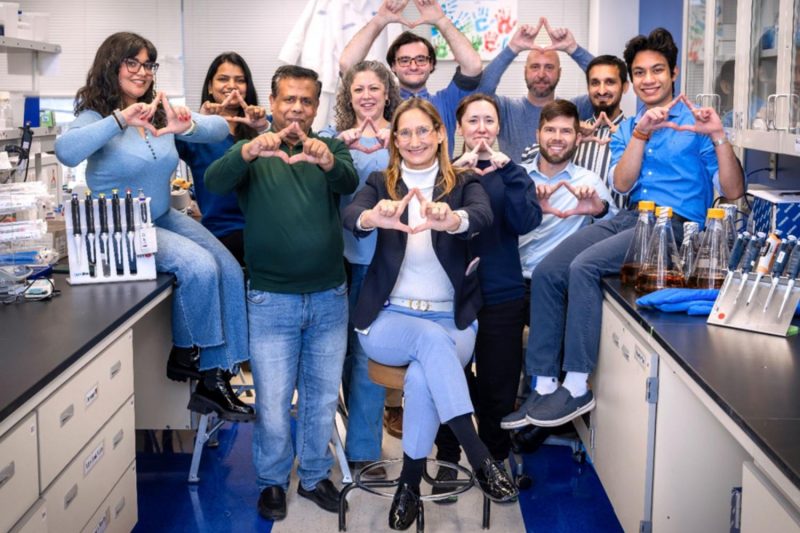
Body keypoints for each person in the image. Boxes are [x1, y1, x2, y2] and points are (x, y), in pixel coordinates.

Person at [503, 28, 745, 430]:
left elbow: (734, 191)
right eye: (640, 73)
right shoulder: (630, 125)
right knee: (548, 270)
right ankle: (544, 388)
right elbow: (621, 184)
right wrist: (640, 133)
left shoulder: (699, 123)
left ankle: (577, 384)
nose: (648, 79)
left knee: (584, 266)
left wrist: (719, 136)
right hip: (632, 215)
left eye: (657, 71)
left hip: (677, 227)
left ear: (674, 74)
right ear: (633, 80)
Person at [54, 32, 254, 423]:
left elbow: (219, 128)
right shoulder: (96, 115)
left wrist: (185, 126)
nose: (143, 72)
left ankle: (219, 375)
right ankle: (187, 355)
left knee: (228, 267)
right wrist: (120, 119)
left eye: (148, 65)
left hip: (162, 215)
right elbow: (67, 150)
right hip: (121, 225)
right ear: (112, 65)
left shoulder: (157, 110)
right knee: (197, 267)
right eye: (133, 63)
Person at [341, 98, 517, 531]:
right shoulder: (380, 180)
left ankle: (408, 482)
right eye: (406, 132)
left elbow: (481, 215)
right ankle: (479, 456)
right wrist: (372, 214)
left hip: (450, 321)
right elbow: (350, 215)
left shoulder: (463, 182)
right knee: (427, 343)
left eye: (424, 130)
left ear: (440, 134)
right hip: (387, 321)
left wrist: (450, 218)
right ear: (394, 140)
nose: (415, 140)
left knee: (423, 373)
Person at [204, 65, 358, 522]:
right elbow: (213, 182)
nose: (296, 108)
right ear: (272, 103)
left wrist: (327, 160)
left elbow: (348, 181)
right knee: (272, 401)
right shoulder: (249, 151)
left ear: (315, 107)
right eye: (288, 99)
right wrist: (249, 149)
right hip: (271, 300)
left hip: (329, 297)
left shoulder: (328, 147)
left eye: (305, 101)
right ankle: (272, 482)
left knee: (321, 396)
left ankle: (312, 476)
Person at [431, 93, 542, 499]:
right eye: (473, 121)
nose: (481, 128)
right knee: (447, 379)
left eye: (488, 121)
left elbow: (526, 220)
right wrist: (450, 177)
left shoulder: (514, 173)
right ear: (459, 129)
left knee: (498, 384)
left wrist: (508, 172)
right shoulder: (442, 173)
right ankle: (446, 456)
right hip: (451, 296)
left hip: (502, 291)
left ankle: (493, 460)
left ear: (498, 128)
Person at [319, 60, 401, 478]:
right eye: (358, 90)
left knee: (367, 354)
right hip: (336, 262)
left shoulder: (404, 137)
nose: (366, 95)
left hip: (382, 264)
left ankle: (364, 451)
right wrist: (337, 147)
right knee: (338, 355)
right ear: (347, 98)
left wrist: (395, 143)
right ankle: (343, 439)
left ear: (388, 92)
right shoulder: (331, 140)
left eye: (374, 88)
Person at [339, 0, 482, 155]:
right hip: (390, 178)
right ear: (393, 66)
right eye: (405, 60)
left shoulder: (447, 101)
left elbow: (473, 66)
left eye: (421, 60)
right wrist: (379, 20)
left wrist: (441, 21)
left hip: (441, 179)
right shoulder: (381, 104)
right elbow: (347, 64)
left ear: (431, 64)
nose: (413, 66)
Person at [176, 52, 267, 265]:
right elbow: (159, 152)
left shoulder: (263, 126)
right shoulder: (196, 131)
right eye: (223, 79)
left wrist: (262, 127)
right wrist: (198, 122)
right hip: (223, 235)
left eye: (240, 80)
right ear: (210, 86)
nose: (232, 86)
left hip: (266, 231)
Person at [476, 18, 595, 162]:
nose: (541, 74)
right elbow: (481, 90)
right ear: (525, 71)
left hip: (564, 183)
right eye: (535, 67)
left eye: (549, 67)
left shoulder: (575, 109)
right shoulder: (506, 109)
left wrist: (573, 49)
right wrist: (512, 48)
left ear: (560, 73)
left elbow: (605, 80)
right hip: (514, 184)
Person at [521, 55, 630, 209]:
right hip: (575, 224)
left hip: (616, 225)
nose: (601, 90)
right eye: (594, 83)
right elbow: (527, 156)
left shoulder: (634, 135)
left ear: (625, 87)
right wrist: (572, 139)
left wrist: (631, 139)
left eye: (610, 82)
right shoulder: (575, 132)